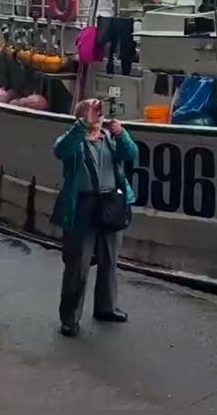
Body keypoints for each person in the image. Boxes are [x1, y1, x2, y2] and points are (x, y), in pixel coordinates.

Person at [52, 98, 138, 337]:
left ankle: (106, 307)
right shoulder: (74, 141)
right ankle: (70, 317)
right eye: (93, 111)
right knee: (77, 264)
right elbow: (60, 150)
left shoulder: (110, 138)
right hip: (82, 204)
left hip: (110, 203)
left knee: (110, 259)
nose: (98, 115)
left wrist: (122, 133)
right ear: (80, 117)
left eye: (99, 112)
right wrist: (82, 126)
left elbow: (132, 154)